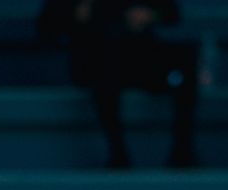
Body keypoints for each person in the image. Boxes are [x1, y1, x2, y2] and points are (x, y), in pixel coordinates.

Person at [43, 1, 199, 169]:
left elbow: (172, 13)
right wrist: (75, 15)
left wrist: (150, 15)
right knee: (103, 71)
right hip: (97, 59)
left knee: (183, 68)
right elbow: (46, 28)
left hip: (140, 57)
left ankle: (181, 151)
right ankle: (118, 154)